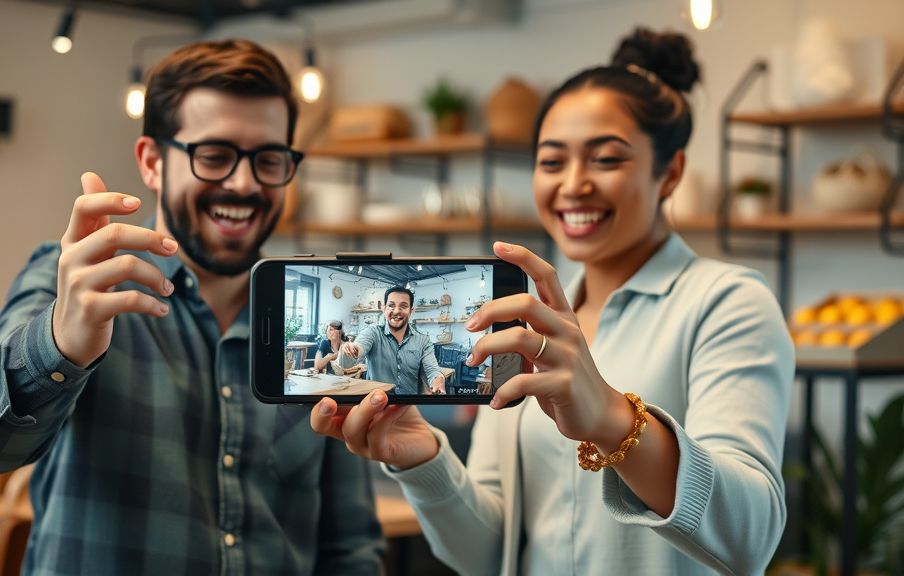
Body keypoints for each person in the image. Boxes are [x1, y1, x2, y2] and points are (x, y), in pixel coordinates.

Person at [311, 28, 794, 576]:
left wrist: (613, 419)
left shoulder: (727, 302)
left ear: (670, 173)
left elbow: (750, 538)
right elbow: (489, 553)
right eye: (551, 161)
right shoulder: (523, 316)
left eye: (606, 160)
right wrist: (425, 461)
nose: (573, 185)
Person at [0, 40, 384, 576]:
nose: (244, 184)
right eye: (214, 156)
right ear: (152, 162)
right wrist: (61, 344)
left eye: (268, 160)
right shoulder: (82, 287)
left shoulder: (310, 320)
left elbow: (350, 548)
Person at [342, 286, 447, 395]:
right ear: (384, 309)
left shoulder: (423, 340)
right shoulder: (373, 333)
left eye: (403, 306)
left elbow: (432, 370)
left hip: (409, 407)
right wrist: (350, 350)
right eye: (391, 305)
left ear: (411, 311)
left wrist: (438, 380)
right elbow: (352, 357)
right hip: (378, 404)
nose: (396, 311)